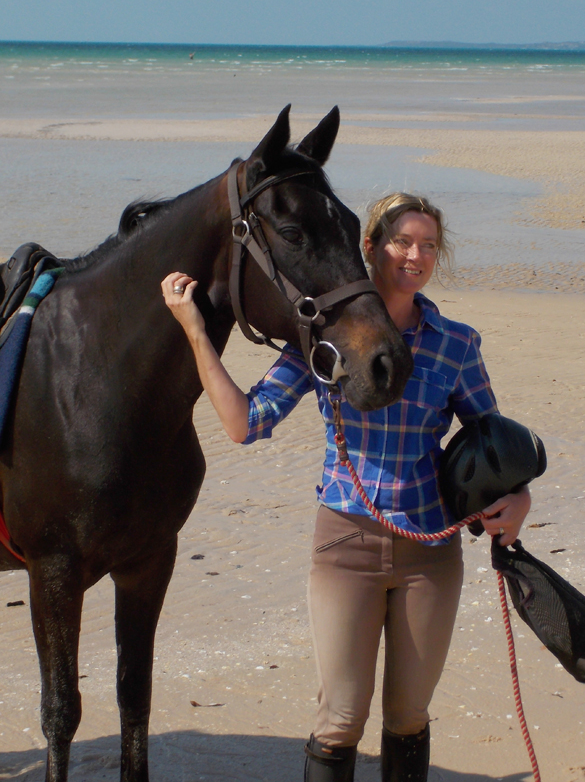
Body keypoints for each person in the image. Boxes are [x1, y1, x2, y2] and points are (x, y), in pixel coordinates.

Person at [161, 192, 531, 782]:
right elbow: (243, 423)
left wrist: (520, 498)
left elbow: (494, 446)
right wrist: (196, 331)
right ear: (371, 248)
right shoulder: (321, 341)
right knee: (340, 720)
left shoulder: (456, 344)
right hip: (344, 547)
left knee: (409, 716)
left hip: (431, 552)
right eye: (403, 241)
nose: (416, 255)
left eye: (429, 245)